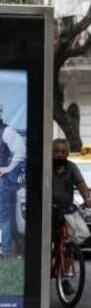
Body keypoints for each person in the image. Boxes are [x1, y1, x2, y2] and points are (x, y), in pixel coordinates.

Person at [51, 139, 91, 287]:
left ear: (67, 154)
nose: (59, 155)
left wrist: (87, 199)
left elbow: (81, 185)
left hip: (66, 211)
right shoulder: (46, 165)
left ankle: (65, 278)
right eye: (56, 151)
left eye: (63, 152)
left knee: (68, 244)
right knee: (44, 242)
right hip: (47, 211)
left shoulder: (72, 168)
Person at [0, 103, 26, 254]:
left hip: (2, 182)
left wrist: (8, 168)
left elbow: (21, 149)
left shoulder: (7, 131)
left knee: (3, 218)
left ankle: (4, 251)